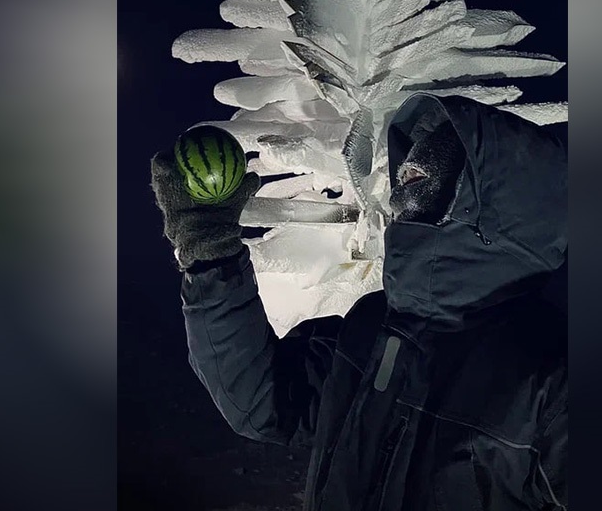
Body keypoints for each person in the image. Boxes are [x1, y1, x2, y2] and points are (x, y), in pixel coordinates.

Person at [150, 92, 568, 510]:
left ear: (486, 207)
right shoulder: (372, 326)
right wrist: (211, 255)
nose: (400, 188)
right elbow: (262, 403)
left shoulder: (551, 379)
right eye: (403, 174)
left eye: (418, 176)